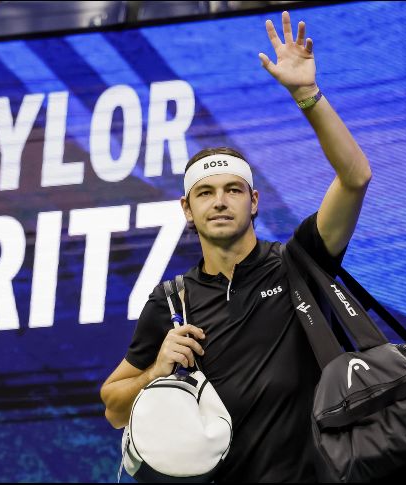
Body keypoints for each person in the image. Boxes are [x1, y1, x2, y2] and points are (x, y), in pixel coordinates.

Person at [100, 10, 372, 482]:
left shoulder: (300, 262)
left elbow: (355, 178)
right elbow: (113, 406)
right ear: (188, 209)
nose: (220, 202)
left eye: (233, 190)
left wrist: (306, 93)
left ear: (254, 201)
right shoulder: (172, 300)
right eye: (205, 193)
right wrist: (155, 371)